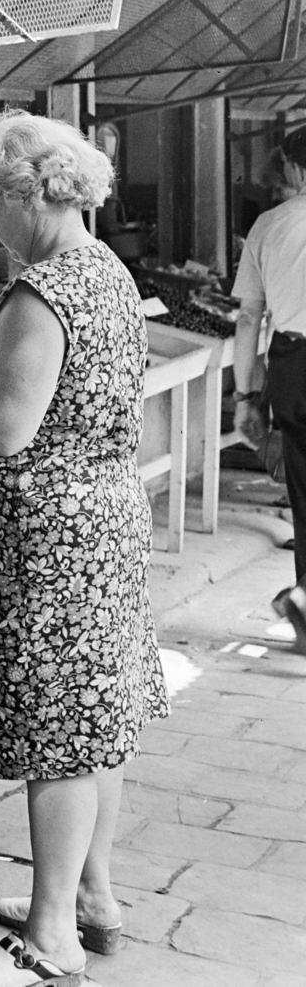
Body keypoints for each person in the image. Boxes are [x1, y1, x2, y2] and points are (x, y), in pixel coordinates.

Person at [0, 111, 166, 987]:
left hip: (46, 547)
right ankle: (92, 898)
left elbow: (7, 429)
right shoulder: (105, 273)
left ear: (22, 194)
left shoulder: (42, 294)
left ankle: (51, 942)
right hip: (101, 529)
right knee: (96, 728)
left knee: (56, 737)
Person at [232, 126, 306, 638]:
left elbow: (248, 320)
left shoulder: (270, 225)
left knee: (303, 488)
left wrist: (244, 396)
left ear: (296, 170)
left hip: (294, 366)